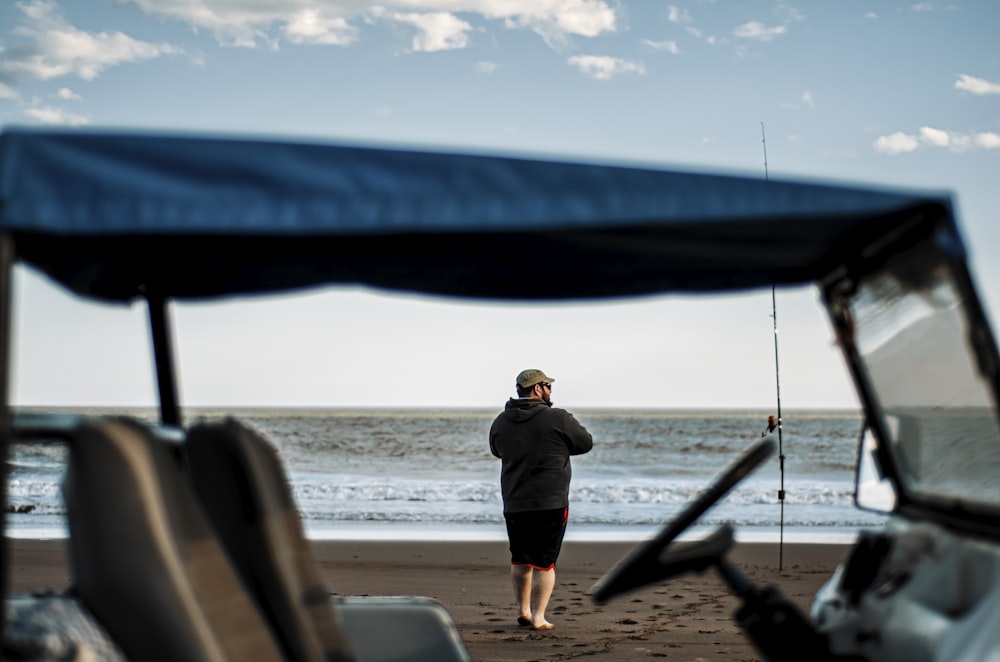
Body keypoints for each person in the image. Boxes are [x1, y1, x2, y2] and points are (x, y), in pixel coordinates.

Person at [489, 369, 593, 631]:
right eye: (547, 386)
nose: (550, 390)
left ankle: (523, 610)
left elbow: (496, 450)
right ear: (537, 389)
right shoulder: (557, 418)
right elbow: (585, 443)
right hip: (551, 501)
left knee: (521, 558)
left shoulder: (501, 421)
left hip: (515, 500)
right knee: (545, 562)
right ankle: (538, 617)